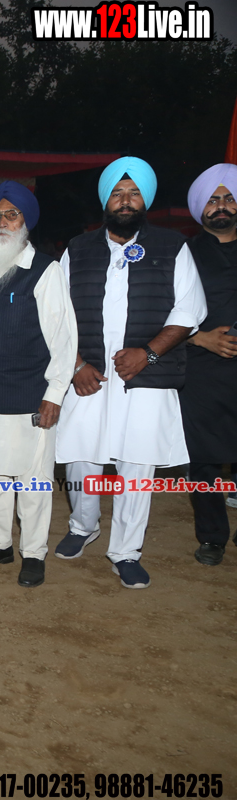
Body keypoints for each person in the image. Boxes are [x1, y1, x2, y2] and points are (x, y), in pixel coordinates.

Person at [55, 157, 206, 588]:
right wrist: (77, 365)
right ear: (105, 201)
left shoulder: (173, 246)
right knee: (81, 458)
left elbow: (190, 311)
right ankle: (83, 526)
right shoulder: (77, 248)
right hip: (88, 375)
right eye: (117, 193)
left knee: (137, 465)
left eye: (134, 193)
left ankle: (126, 551)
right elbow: (56, 313)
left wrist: (148, 355)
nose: (125, 201)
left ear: (146, 200)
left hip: (147, 378)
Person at [0, 182, 76, 587]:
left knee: (32, 481)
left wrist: (54, 394)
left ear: (26, 222)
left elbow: (64, 339)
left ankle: (34, 553)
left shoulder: (45, 270)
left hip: (29, 396)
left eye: (12, 214)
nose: (3, 222)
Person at [178, 164, 237, 565]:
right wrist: (200, 338)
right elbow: (163, 311)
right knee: (204, 458)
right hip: (202, 370)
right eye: (213, 200)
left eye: (228, 198)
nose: (221, 206)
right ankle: (212, 537)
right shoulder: (185, 254)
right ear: (201, 208)